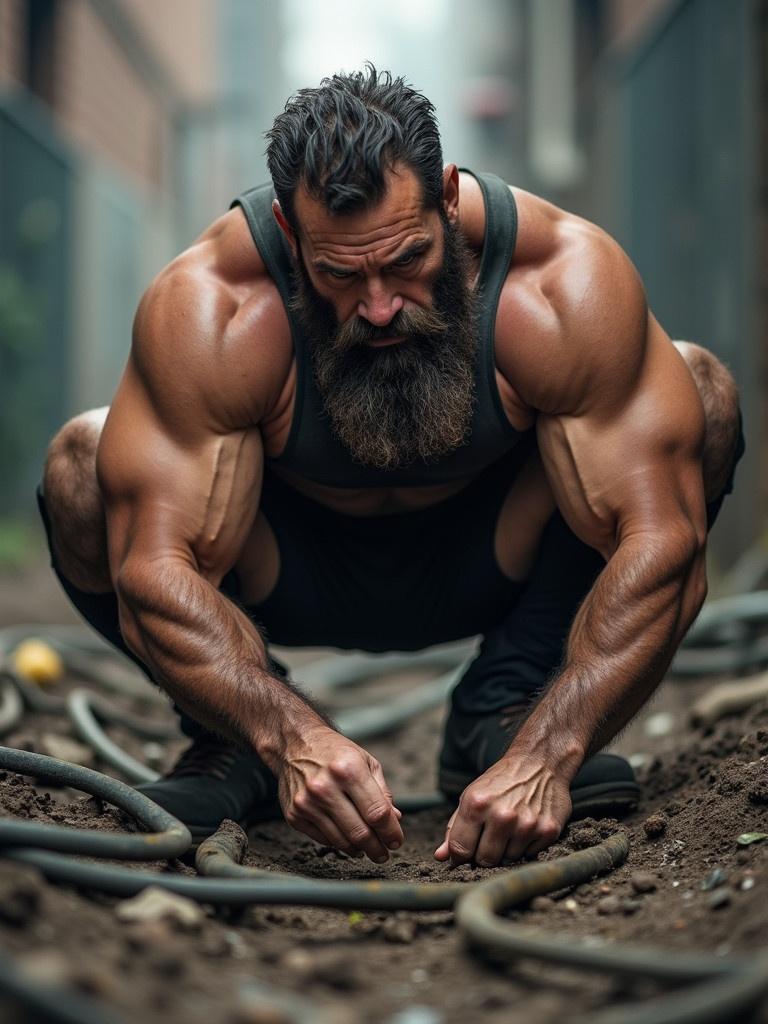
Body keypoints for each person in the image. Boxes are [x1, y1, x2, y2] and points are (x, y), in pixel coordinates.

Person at [39, 67, 743, 869]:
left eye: (407, 258)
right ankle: (228, 747)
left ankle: (507, 709)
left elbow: (665, 543)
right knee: (82, 462)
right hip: (285, 573)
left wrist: (552, 753)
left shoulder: (557, 282)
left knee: (700, 391)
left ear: (447, 195)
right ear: (288, 230)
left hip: (498, 560)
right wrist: (287, 737)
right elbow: (150, 577)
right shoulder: (217, 307)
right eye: (339, 274)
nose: (378, 304)